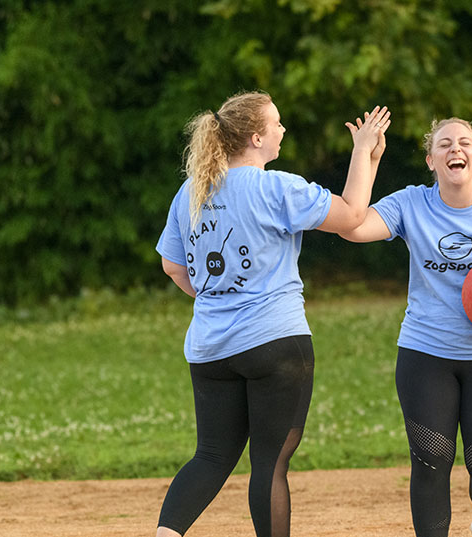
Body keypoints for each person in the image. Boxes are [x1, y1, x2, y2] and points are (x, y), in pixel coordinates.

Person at [154, 90, 390, 537]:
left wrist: (216, 299)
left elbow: (172, 265)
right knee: (269, 464)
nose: (283, 129)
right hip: (274, 343)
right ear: (257, 137)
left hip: (209, 349)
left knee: (211, 456)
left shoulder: (192, 190)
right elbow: (352, 215)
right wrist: (364, 153)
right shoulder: (275, 186)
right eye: (276, 123)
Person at [340, 118, 472, 537]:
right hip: (425, 355)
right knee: (430, 462)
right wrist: (365, 156)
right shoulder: (411, 204)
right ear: (431, 160)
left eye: (464, 143)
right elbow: (353, 226)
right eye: (444, 144)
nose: (455, 149)